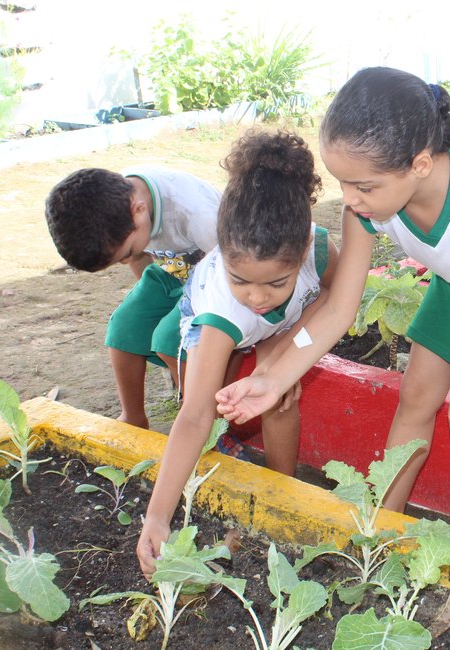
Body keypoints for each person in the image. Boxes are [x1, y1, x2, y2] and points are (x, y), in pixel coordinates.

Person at [216, 67, 450, 534]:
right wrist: (274, 377)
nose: (351, 199)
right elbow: (339, 308)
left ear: (420, 164)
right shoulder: (366, 211)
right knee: (416, 397)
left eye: (364, 186)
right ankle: (380, 526)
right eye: (342, 183)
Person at [136, 129, 337, 577]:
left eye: (275, 283)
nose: (257, 296)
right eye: (241, 279)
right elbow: (193, 416)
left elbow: (332, 296)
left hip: (284, 326)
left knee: (281, 396)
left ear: (303, 249)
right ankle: (202, 474)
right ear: (221, 252)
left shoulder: (319, 249)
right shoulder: (222, 313)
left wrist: (281, 360)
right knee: (208, 401)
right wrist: (156, 515)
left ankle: (281, 496)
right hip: (215, 325)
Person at [44, 164, 220, 429]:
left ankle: (202, 423)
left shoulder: (198, 215)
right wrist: (148, 311)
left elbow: (234, 279)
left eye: (126, 254)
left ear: (138, 211)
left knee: (170, 338)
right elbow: (141, 260)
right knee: (124, 325)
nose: (126, 260)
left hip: (219, 277)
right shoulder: (116, 203)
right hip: (173, 271)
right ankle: (133, 417)